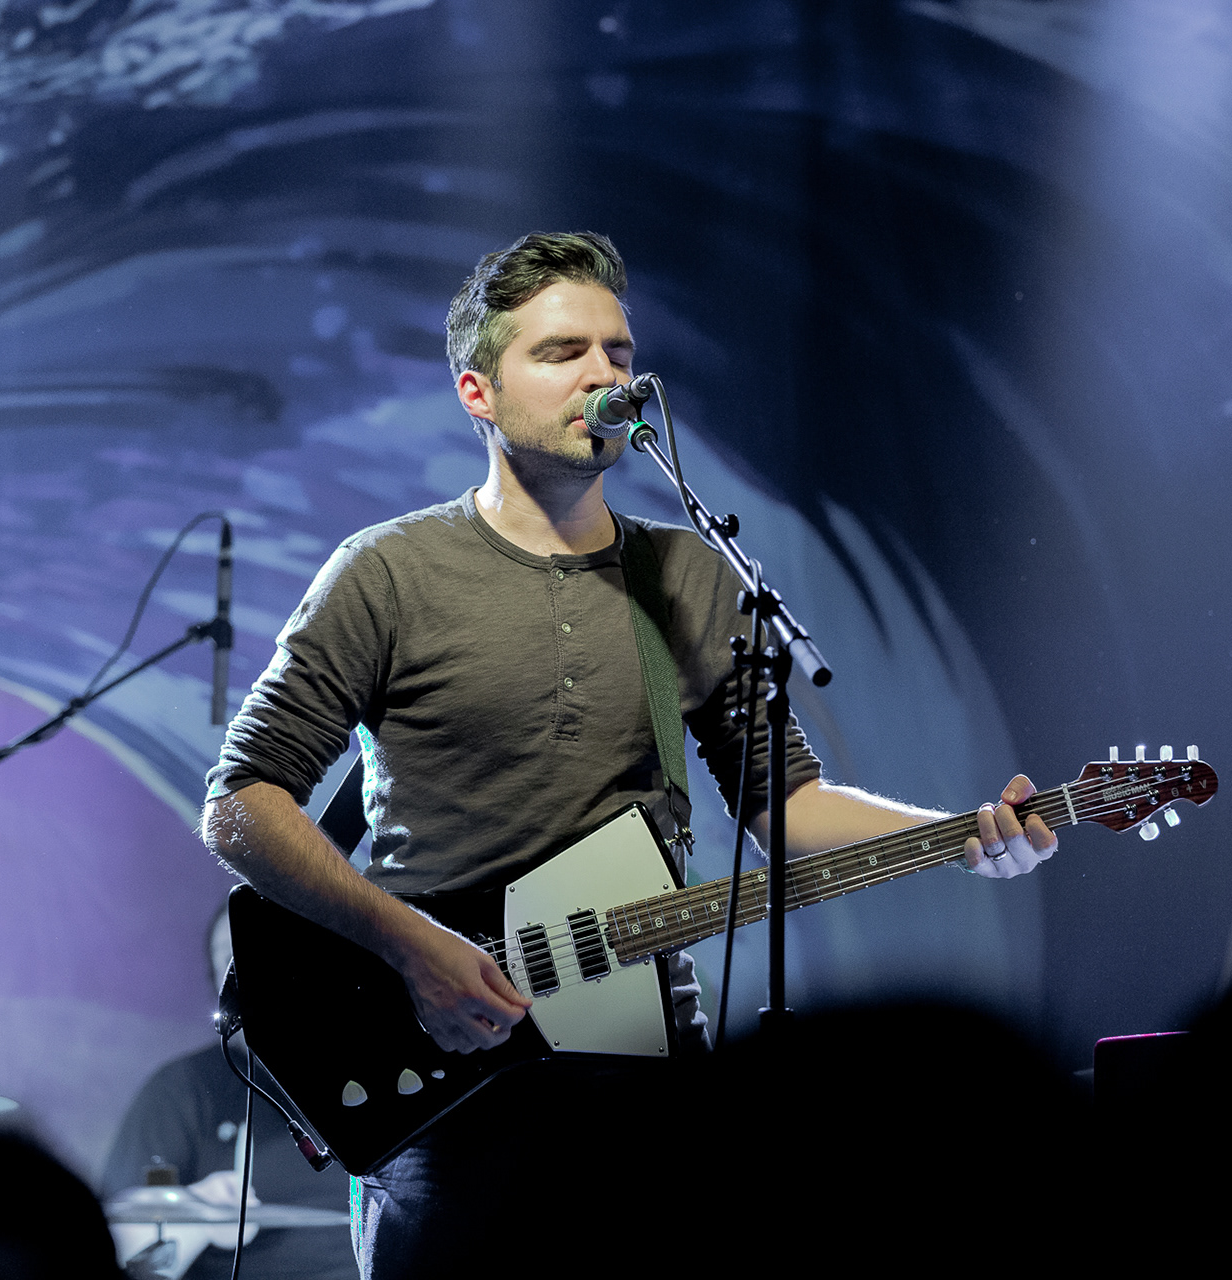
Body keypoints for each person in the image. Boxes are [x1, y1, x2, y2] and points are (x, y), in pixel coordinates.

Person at [201, 231, 1058, 1272]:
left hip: (645, 1065)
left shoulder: (688, 575)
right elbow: (241, 803)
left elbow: (786, 806)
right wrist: (414, 949)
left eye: (617, 350)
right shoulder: (387, 573)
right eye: (562, 352)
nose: (604, 374)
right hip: (448, 1075)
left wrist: (961, 833)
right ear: (478, 392)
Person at [101, 904, 355, 1280]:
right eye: (230, 961)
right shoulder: (182, 1089)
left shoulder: (370, 1075)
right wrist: (197, 1208)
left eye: (264, 950)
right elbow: (112, 1246)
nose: (251, 970)